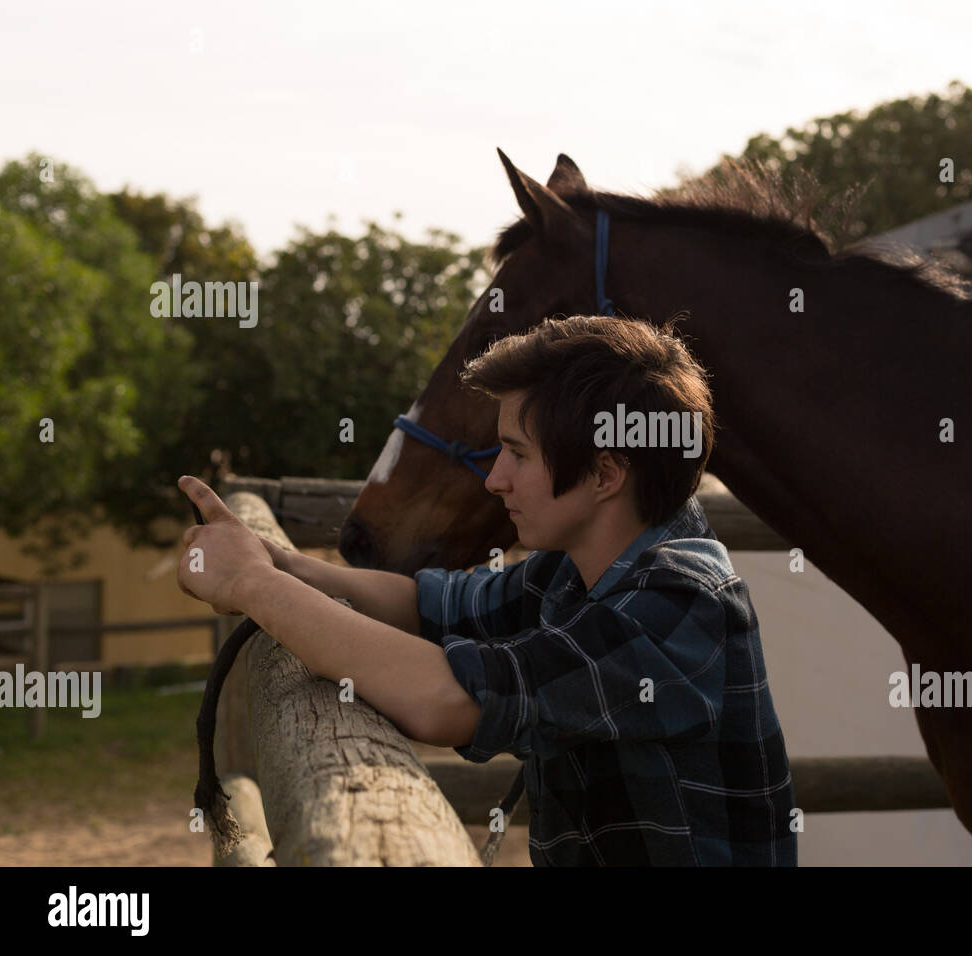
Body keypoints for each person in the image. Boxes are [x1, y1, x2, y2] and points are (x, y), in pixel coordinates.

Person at [177, 314, 796, 866]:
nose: (494, 479)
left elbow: (445, 698)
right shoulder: (577, 566)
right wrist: (282, 563)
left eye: (516, 454)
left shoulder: (680, 604)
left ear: (605, 474)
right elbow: (432, 607)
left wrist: (251, 585)